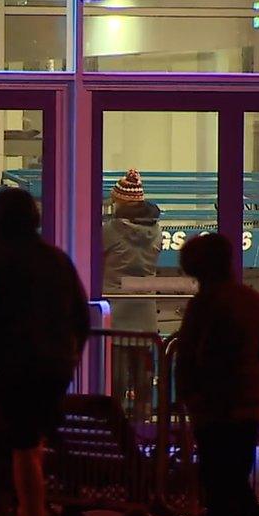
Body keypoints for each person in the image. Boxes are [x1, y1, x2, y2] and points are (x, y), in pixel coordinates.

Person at [0, 188, 90, 516]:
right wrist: (66, 361)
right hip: (49, 374)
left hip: (3, 378)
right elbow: (80, 319)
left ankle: (17, 514)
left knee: (6, 450)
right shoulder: (57, 263)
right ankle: (32, 514)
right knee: (31, 443)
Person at [174, 233, 259, 516]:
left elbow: (190, 355)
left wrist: (188, 393)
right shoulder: (251, 300)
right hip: (247, 401)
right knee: (234, 475)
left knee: (218, 480)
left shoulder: (202, 305)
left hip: (212, 407)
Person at [102, 169, 161, 419]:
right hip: (145, 312)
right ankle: (144, 421)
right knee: (143, 375)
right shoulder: (156, 230)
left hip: (117, 312)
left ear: (121, 202)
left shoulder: (110, 230)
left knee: (116, 377)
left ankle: (116, 425)